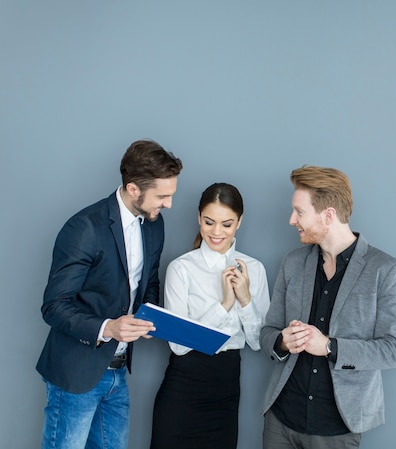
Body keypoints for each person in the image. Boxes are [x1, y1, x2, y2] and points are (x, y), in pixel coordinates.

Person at [36, 139, 183, 449]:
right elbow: (54, 306)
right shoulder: (84, 228)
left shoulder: (154, 225)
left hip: (118, 373)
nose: (169, 204)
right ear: (133, 189)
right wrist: (109, 327)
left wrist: (149, 317)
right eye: (163, 196)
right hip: (75, 373)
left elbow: (149, 285)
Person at [259, 165, 396, 449]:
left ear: (328, 215)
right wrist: (281, 342)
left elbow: (393, 350)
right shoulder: (292, 262)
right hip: (279, 421)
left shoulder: (385, 269)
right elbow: (267, 331)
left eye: (299, 212)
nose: (292, 220)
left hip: (337, 427)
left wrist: (329, 346)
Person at [150, 183, 270, 449]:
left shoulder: (254, 269)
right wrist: (225, 304)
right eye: (209, 222)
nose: (217, 232)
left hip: (225, 391)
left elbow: (258, 342)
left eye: (226, 224)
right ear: (198, 218)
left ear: (239, 222)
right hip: (182, 389)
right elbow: (179, 346)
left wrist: (245, 299)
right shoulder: (181, 268)